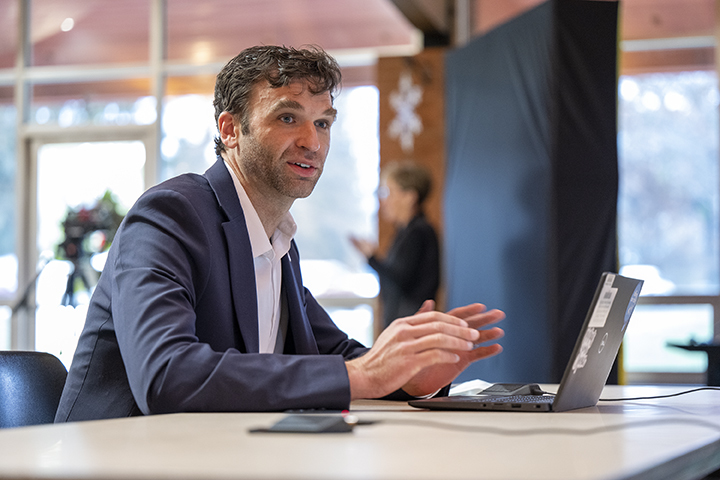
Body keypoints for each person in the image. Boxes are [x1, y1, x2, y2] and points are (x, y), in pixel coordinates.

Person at [55, 45, 505, 421]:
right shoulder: (171, 216)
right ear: (230, 129)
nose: (313, 141)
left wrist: (410, 373)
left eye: (323, 122)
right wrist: (366, 375)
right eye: (288, 118)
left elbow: (335, 355)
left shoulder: (278, 243)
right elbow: (168, 375)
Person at [351, 161, 440, 329]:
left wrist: (371, 257)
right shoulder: (405, 232)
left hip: (412, 329)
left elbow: (400, 281)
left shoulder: (418, 232)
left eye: (388, 193)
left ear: (409, 197)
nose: (383, 201)